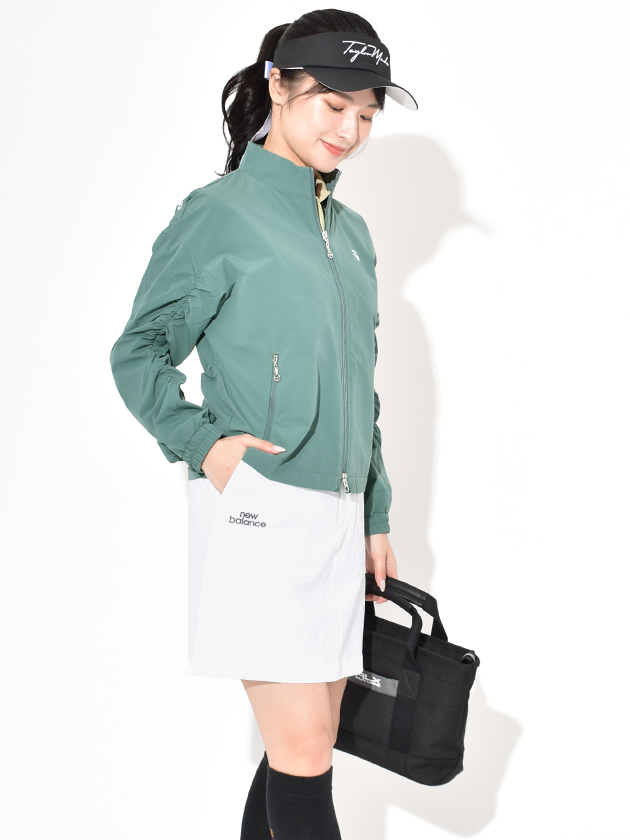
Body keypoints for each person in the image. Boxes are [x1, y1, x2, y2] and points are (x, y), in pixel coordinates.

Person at [109, 9, 417, 839]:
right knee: (306, 745)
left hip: (338, 514)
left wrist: (376, 514)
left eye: (367, 114)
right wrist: (204, 446)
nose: (349, 130)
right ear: (279, 86)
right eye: (333, 105)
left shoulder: (352, 235)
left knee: (302, 744)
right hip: (258, 504)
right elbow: (139, 351)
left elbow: (362, 388)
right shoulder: (221, 214)